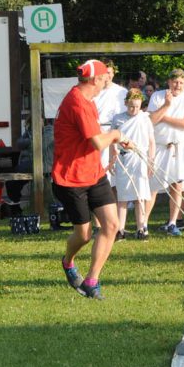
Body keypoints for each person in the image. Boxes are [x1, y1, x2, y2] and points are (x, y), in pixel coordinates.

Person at [53, 59, 128, 299]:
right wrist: (116, 134)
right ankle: (68, 261)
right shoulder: (77, 103)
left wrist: (115, 139)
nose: (109, 79)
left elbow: (94, 138)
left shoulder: (88, 100)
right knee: (84, 235)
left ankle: (91, 280)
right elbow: (97, 141)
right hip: (70, 178)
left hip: (94, 173)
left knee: (112, 225)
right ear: (95, 79)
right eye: (106, 76)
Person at [147, 69, 184, 236]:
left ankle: (173, 222)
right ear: (169, 82)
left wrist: (164, 117)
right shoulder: (158, 96)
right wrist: (166, 106)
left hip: (178, 146)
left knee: (177, 185)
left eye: (181, 83)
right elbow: (151, 120)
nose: (178, 85)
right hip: (160, 146)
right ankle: (143, 224)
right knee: (152, 186)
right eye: (175, 82)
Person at [111, 89, 155, 240]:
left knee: (140, 196)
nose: (134, 110)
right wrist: (112, 157)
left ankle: (141, 228)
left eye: (137, 106)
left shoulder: (145, 118)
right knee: (122, 197)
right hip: (124, 159)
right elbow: (112, 140)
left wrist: (151, 161)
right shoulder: (118, 119)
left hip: (140, 158)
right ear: (125, 103)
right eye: (131, 106)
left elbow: (151, 141)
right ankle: (120, 230)